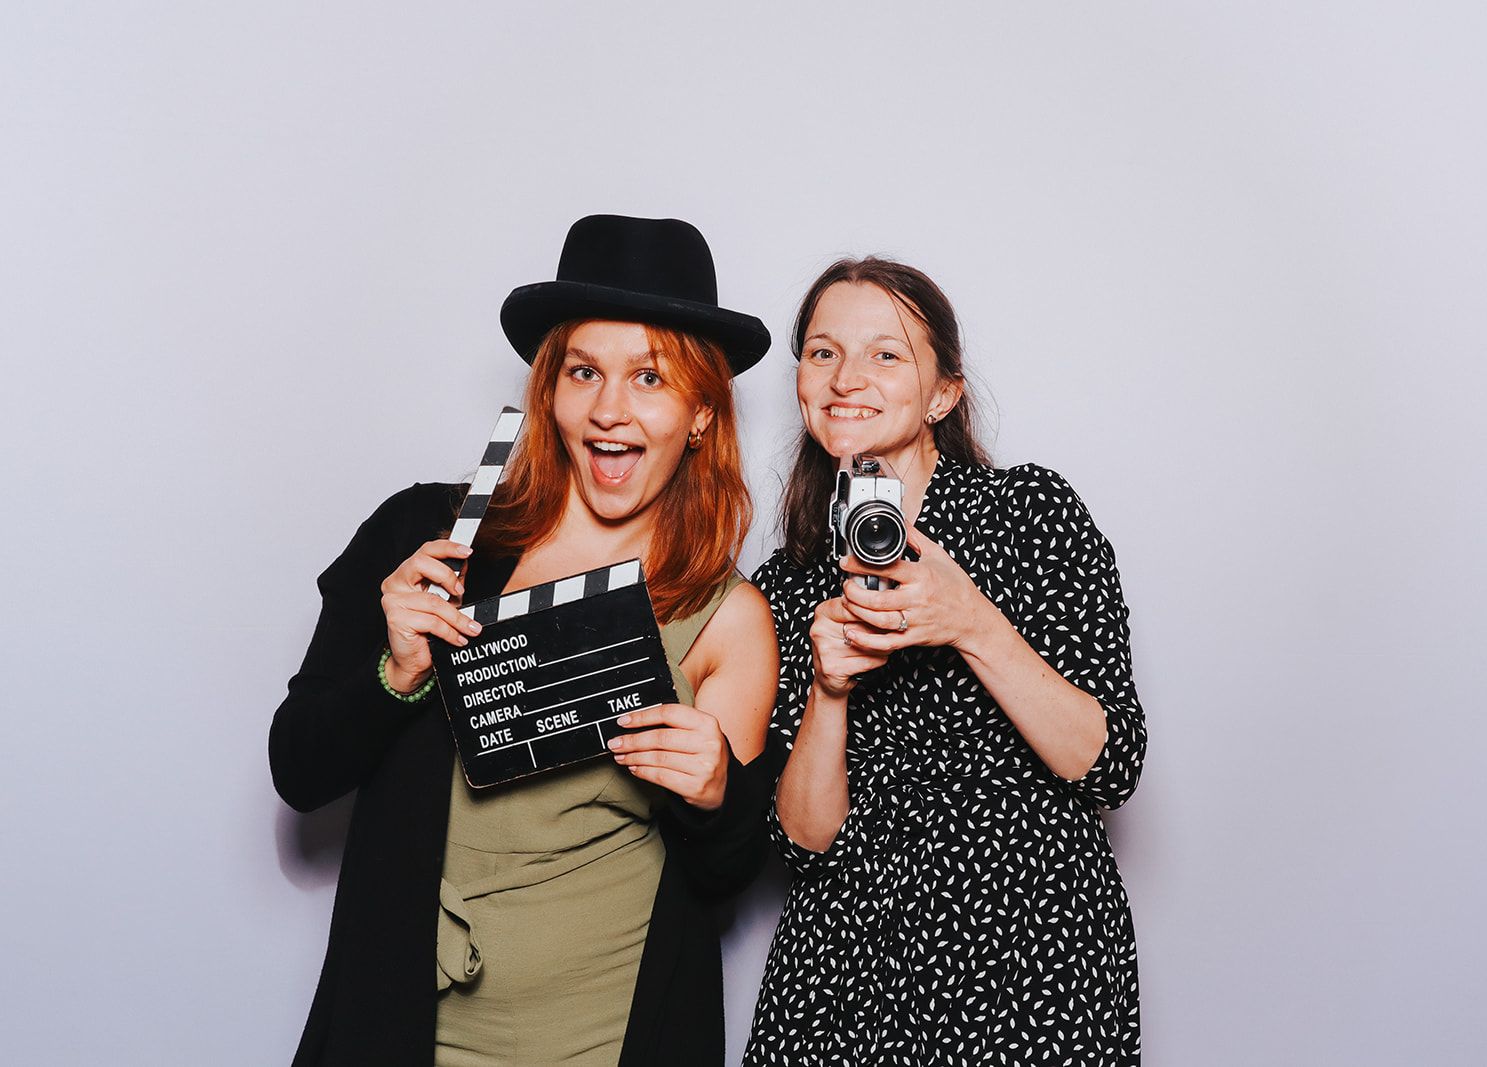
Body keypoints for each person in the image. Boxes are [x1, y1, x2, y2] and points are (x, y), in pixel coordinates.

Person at [270, 215, 780, 1067]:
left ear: (699, 413)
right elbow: (299, 771)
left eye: (649, 377)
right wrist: (395, 674)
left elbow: (725, 877)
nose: (610, 409)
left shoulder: (727, 615)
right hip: (400, 1022)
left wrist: (715, 788)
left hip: (600, 1035)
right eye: (584, 371)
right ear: (548, 391)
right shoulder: (427, 540)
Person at [743, 257, 1147, 1066]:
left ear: (942, 394)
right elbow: (802, 840)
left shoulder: (1032, 514)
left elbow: (1108, 762)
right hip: (844, 975)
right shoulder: (784, 586)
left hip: (1028, 958)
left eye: (885, 354)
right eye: (822, 353)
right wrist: (829, 689)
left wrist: (972, 623)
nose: (846, 376)